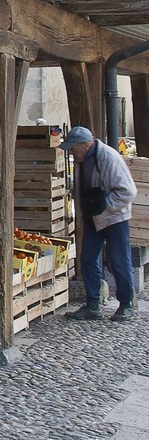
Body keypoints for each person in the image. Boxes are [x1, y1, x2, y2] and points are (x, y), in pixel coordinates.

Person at [62, 125, 137, 322]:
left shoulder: (109, 157)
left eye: (73, 147)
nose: (70, 151)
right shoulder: (81, 158)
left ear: (86, 145)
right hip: (92, 216)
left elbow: (128, 192)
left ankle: (126, 303)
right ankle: (93, 304)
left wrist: (104, 208)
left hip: (114, 217)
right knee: (87, 258)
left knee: (118, 260)